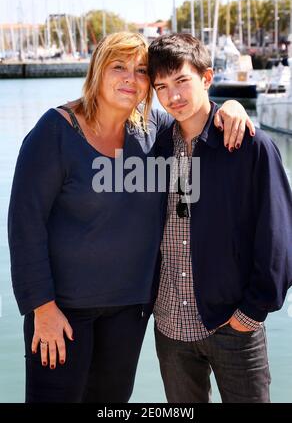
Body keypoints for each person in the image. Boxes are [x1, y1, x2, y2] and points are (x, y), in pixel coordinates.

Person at [8, 31, 254, 403]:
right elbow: (24, 226)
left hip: (130, 311)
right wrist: (41, 308)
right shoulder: (54, 132)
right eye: (118, 66)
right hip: (62, 312)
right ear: (97, 71)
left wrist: (230, 107)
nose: (131, 78)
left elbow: (195, 114)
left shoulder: (153, 129)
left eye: (141, 70)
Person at [148, 33, 292, 403]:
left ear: (207, 78)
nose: (172, 97)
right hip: (170, 327)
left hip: (233, 325)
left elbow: (279, 235)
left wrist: (252, 311)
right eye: (161, 87)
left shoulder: (250, 145)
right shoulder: (160, 147)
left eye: (182, 81)